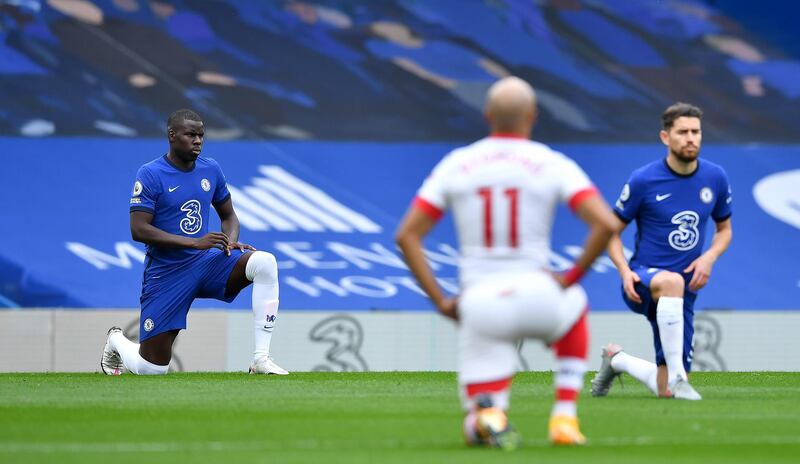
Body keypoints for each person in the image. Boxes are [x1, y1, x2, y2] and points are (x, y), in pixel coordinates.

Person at [395, 77, 619, 448]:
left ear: (487, 116)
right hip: (539, 295)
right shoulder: (551, 162)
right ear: (532, 116)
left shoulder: (458, 163)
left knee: (477, 424)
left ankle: (487, 413)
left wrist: (441, 301)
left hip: (480, 303)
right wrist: (570, 278)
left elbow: (407, 235)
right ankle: (564, 415)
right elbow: (606, 224)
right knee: (575, 306)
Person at [100, 109, 288, 376]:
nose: (198, 140)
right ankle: (116, 340)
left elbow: (229, 216)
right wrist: (193, 243)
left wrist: (230, 242)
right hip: (167, 273)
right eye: (191, 135)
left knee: (264, 262)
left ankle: (260, 358)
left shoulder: (210, 169)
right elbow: (139, 229)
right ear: (172, 135)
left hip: (206, 263)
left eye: (201, 135)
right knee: (151, 369)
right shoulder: (151, 174)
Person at [591, 102, 733, 400]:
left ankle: (616, 360)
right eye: (683, 132)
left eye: (696, 132)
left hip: (685, 290)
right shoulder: (644, 179)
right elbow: (610, 231)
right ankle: (680, 378)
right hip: (644, 281)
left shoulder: (715, 177)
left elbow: (725, 230)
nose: (691, 138)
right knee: (672, 281)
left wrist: (709, 257)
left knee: (663, 390)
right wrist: (624, 271)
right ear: (665, 137)